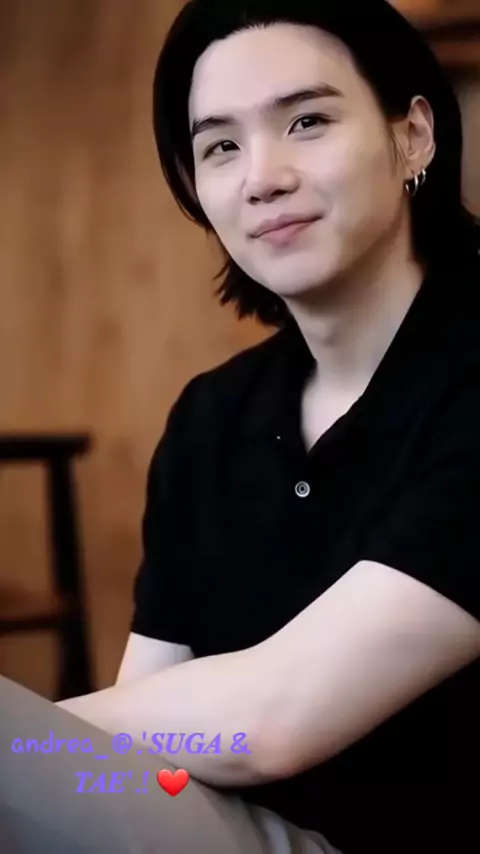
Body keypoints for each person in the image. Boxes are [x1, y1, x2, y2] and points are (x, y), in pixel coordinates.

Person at [1, 1, 480, 852]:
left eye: (307, 121)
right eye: (220, 146)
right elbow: (142, 724)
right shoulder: (212, 416)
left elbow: (277, 717)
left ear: (414, 136)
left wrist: (28, 748)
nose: (263, 177)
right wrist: (43, 776)